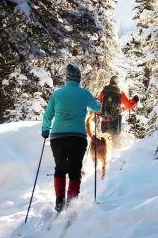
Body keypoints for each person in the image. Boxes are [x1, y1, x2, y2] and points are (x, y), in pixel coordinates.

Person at [41, 64, 101, 213]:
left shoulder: (57, 94)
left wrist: (44, 130)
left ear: (67, 78)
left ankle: (59, 202)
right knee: (75, 170)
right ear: (79, 78)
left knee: (60, 168)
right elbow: (97, 108)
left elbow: (48, 115)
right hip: (78, 137)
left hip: (57, 137)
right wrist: (96, 101)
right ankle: (71, 203)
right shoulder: (84, 93)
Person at [97, 75, 139, 144]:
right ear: (117, 83)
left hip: (104, 120)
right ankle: (115, 154)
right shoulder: (120, 93)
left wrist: (99, 113)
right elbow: (129, 106)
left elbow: (97, 104)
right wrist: (135, 100)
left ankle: (105, 154)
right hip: (115, 121)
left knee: (105, 142)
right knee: (115, 143)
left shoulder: (103, 92)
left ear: (110, 82)